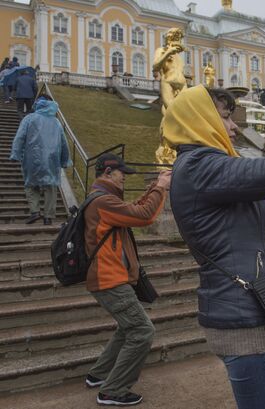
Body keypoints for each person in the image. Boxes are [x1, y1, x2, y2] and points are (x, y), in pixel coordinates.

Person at [165, 86, 265, 409]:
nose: (234, 126)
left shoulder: (212, 166)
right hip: (241, 318)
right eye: (226, 117)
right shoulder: (199, 165)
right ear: (200, 120)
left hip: (257, 310)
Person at [83, 153, 171, 406]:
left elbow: (133, 210)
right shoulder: (102, 202)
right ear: (108, 173)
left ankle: (98, 375)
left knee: (127, 327)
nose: (125, 178)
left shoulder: (103, 199)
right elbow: (144, 216)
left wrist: (155, 188)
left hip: (110, 278)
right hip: (110, 279)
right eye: (122, 173)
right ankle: (113, 390)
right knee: (142, 331)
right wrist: (161, 188)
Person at [9, 97, 71, 225]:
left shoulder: (29, 119)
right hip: (52, 160)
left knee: (31, 184)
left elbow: (20, 137)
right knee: (51, 187)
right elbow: (64, 143)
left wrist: (15, 154)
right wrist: (65, 160)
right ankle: (48, 217)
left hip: (32, 158)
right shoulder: (56, 122)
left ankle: (35, 211)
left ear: (37, 105)